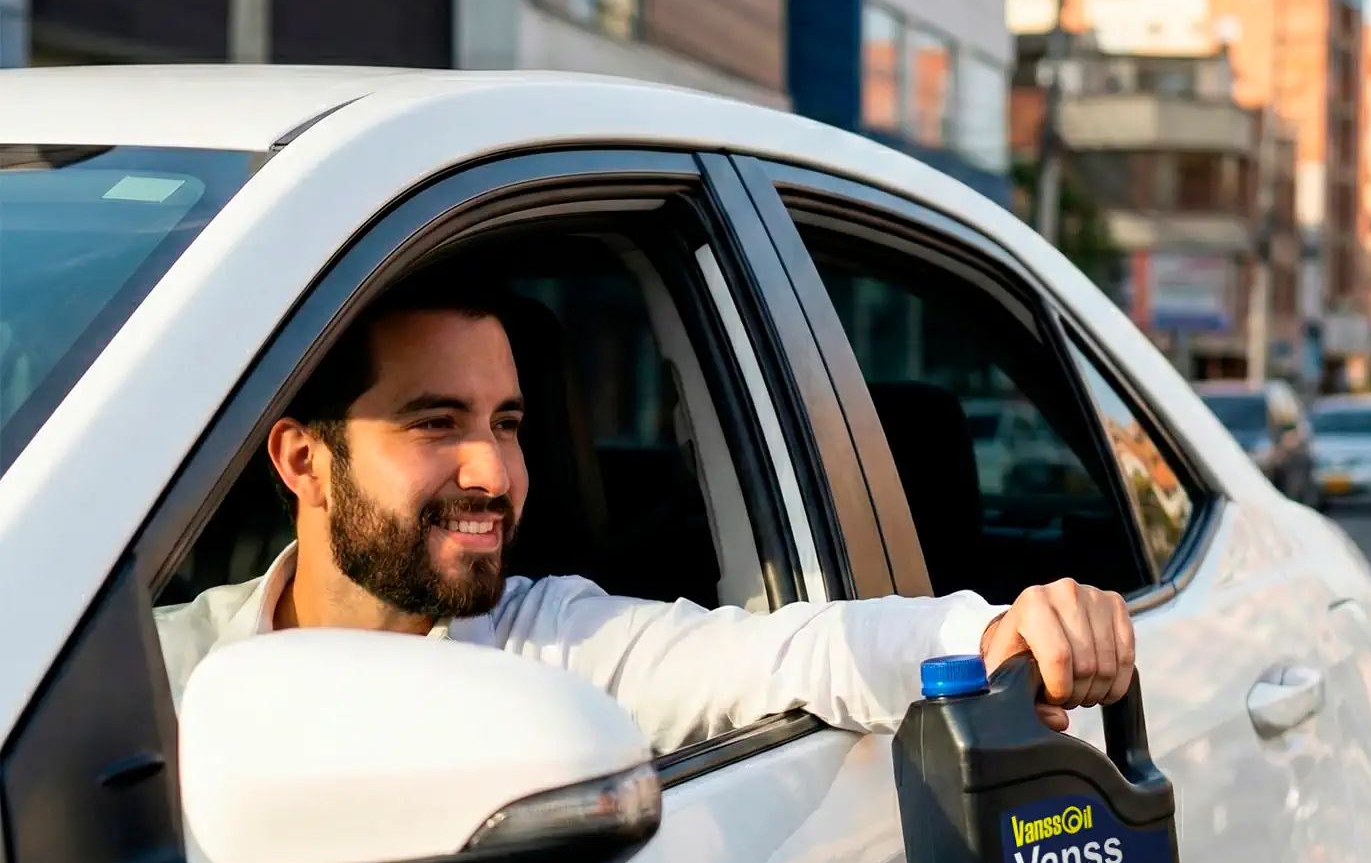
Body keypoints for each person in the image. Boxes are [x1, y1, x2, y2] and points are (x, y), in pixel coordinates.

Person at [154, 266, 1136, 751]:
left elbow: (800, 652)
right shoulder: (149, 677)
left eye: (508, 421)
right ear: (303, 459)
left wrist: (1003, 629)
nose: (493, 472)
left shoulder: (557, 650)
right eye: (436, 423)